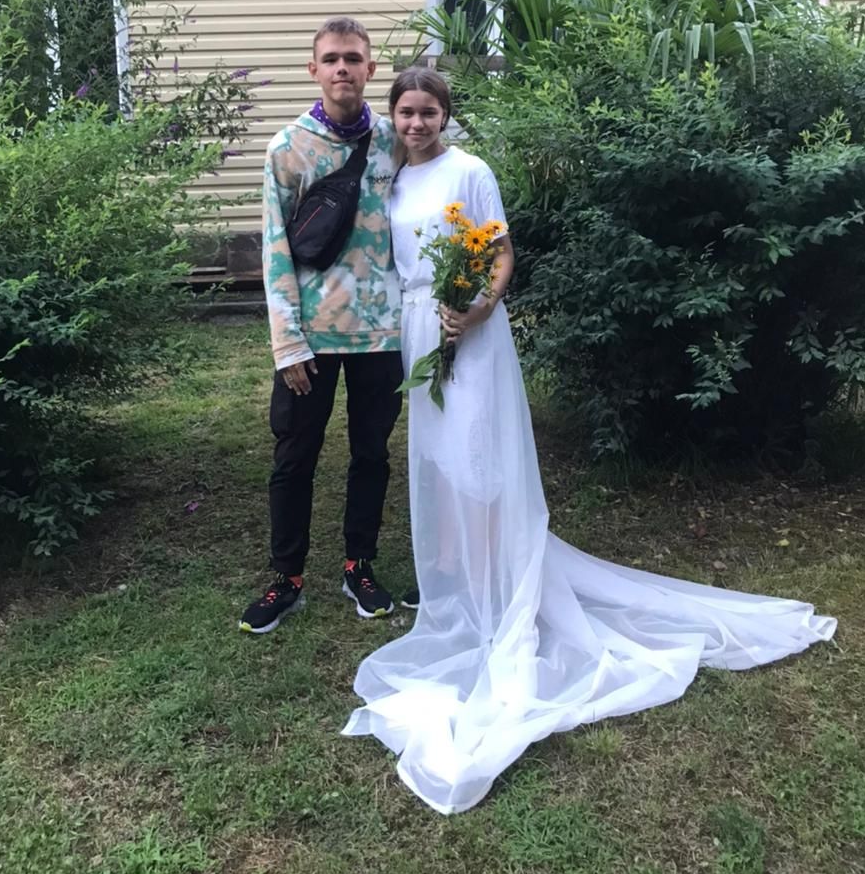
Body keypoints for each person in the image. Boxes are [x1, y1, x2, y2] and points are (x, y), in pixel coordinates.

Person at [342, 67, 837, 815]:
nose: (416, 123)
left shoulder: (470, 171)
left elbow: (500, 254)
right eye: (406, 112)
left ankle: (498, 587)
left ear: (446, 114)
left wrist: (476, 311)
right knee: (438, 459)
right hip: (416, 329)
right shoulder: (393, 178)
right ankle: (457, 580)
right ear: (394, 115)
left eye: (429, 111)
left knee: (478, 456)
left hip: (468, 329)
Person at [239, 18, 404, 634]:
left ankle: (359, 565)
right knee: (294, 457)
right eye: (331, 58)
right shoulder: (288, 148)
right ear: (314, 70)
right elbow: (275, 248)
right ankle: (287, 578)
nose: (342, 68)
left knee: (371, 455)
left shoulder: (395, 141)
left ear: (370, 68)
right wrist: (287, 343)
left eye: (353, 58)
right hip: (310, 337)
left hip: (381, 334)